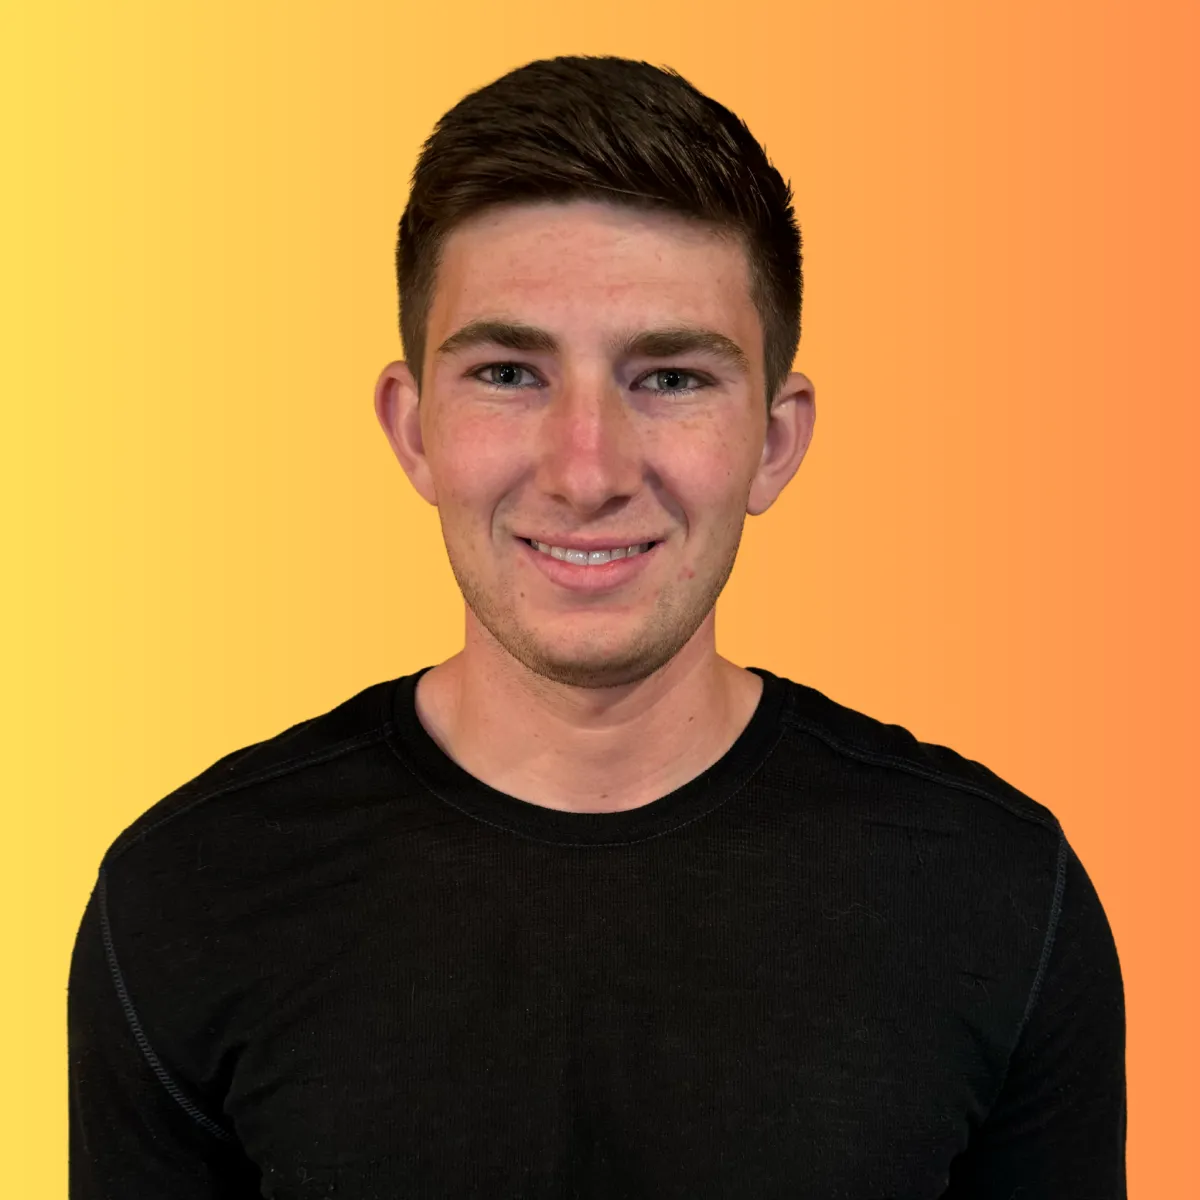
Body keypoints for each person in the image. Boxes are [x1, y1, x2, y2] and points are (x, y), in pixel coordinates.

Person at [68, 55, 1126, 1199]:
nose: (587, 471)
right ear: (414, 430)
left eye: (669, 378)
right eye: (508, 372)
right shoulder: (187, 895)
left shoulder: (999, 894)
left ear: (774, 442)